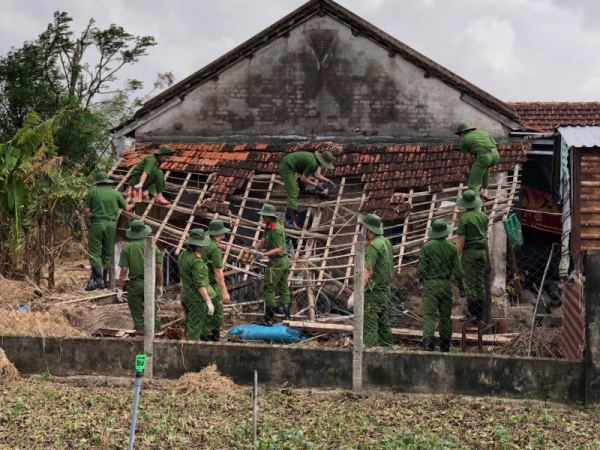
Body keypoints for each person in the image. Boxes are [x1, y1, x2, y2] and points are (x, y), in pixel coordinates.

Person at [417, 219, 465, 352]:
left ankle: (428, 344)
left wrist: (420, 279)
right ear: (445, 232)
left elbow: (422, 269)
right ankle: (445, 345)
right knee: (445, 316)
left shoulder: (426, 247)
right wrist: (461, 288)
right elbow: (458, 270)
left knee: (429, 316)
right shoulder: (452, 247)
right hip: (445, 284)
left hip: (431, 284)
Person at [83, 172, 135, 291]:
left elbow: (86, 210)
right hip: (111, 225)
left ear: (97, 182)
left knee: (94, 252)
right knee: (107, 253)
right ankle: (103, 280)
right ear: (107, 182)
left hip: (97, 224)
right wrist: (132, 203)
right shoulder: (115, 193)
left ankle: (99, 280)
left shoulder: (93, 192)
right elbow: (127, 208)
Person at [242, 204, 291, 326]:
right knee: (283, 288)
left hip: (277, 262)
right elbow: (263, 242)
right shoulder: (268, 227)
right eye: (262, 215)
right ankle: (287, 317)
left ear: (271, 216)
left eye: (265, 215)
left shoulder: (275, 229)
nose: (263, 217)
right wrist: (254, 248)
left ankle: (269, 319)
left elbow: (278, 249)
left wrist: (263, 254)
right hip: (282, 261)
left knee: (269, 288)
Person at [352, 213, 394, 348]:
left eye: (363, 226)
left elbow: (367, 271)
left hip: (372, 292)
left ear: (368, 229)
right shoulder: (385, 242)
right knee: (383, 323)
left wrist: (356, 292)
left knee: (370, 323)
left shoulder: (373, 246)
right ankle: (388, 348)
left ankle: (370, 350)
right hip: (385, 290)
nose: (362, 229)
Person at [117, 220, 162, 332]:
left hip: (135, 284)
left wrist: (120, 288)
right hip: (149, 282)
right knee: (153, 312)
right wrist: (160, 285)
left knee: (137, 314)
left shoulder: (127, 248)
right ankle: (157, 333)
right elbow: (158, 268)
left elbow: (124, 270)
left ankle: (140, 333)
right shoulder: (153, 246)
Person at [278, 150, 336, 230]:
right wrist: (316, 185)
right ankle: (289, 221)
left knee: (302, 178)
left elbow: (315, 174)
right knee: (293, 194)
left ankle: (303, 191)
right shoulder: (312, 162)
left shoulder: (313, 160)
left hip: (287, 164)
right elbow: (303, 179)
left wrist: (327, 180)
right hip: (286, 168)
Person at [456, 190, 489, 324]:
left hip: (469, 253)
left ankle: (473, 314)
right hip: (482, 252)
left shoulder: (464, 219)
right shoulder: (483, 216)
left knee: (469, 283)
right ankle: (480, 314)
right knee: (479, 281)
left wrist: (455, 258)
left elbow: (461, 241)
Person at [178, 228, 216, 341]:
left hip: (186, 294)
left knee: (190, 323)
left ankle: (186, 345)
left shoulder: (183, 254)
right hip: (197, 298)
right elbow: (199, 283)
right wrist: (208, 301)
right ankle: (190, 348)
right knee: (194, 328)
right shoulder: (196, 261)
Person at [202, 220, 232, 341]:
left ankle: (204, 340)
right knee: (215, 316)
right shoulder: (215, 248)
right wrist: (224, 292)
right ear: (221, 233)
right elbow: (218, 271)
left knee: (205, 315)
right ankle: (212, 342)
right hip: (212, 286)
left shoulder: (205, 244)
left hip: (202, 284)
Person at [454, 123, 500, 200]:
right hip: (495, 155)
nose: (460, 137)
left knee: (473, 184)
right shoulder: (484, 133)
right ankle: (485, 193)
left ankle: (476, 205)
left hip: (483, 157)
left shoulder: (463, 142)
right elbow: (495, 147)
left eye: (459, 135)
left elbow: (470, 159)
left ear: (463, 132)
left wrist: (472, 170)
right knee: (485, 167)